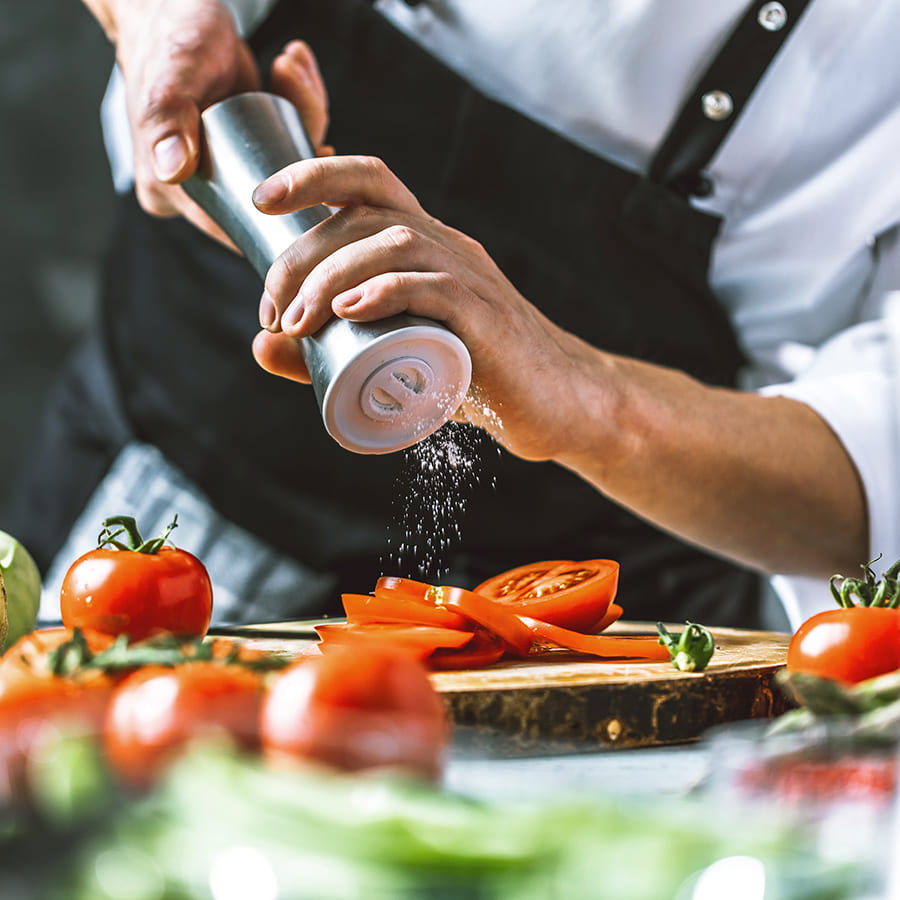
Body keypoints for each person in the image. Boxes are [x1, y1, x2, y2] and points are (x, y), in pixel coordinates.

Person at [10, 0, 898, 632]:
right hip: (174, 504)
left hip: (547, 618)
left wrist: (587, 399)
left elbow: (868, 485)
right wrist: (161, 20)